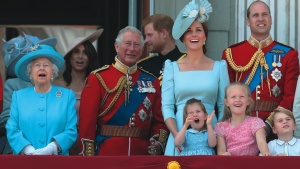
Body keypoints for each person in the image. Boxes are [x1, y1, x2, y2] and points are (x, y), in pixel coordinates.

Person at [79, 26, 168, 156]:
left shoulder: (152, 81)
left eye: (136, 45)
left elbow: (159, 121)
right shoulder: (98, 78)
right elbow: (87, 123)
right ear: (117, 46)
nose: (131, 49)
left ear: (142, 50)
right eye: (127, 44)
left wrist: (157, 143)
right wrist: (88, 156)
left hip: (141, 155)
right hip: (107, 154)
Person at [221, 0, 299, 137]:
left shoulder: (289, 54)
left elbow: (290, 96)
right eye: (255, 15)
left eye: (265, 14)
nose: (261, 19)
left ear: (270, 19)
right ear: (247, 21)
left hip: (276, 128)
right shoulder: (231, 54)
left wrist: (270, 125)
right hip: (240, 126)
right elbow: (227, 94)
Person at [162, 0, 229, 156]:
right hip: (179, 132)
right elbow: (167, 107)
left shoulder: (220, 67)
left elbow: (223, 107)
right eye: (188, 31)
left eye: (198, 30)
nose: (194, 34)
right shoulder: (171, 67)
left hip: (210, 135)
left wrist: (216, 136)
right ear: (183, 38)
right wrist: (176, 134)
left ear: (205, 36)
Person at [5, 40, 77, 155]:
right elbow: (12, 129)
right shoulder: (19, 96)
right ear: (30, 73)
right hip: (25, 161)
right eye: (37, 65)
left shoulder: (66, 96)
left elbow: (71, 130)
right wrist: (26, 149)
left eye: (46, 65)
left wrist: (53, 147)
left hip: (57, 161)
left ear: (53, 72)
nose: (42, 68)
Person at [0, 33, 57, 154]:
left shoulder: (56, 89)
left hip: (49, 150)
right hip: (18, 150)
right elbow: (5, 120)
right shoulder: (13, 84)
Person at [54, 29, 103, 155]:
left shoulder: (98, 84)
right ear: (69, 57)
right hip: (61, 142)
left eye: (85, 53)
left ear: (90, 57)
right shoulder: (56, 85)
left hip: (91, 142)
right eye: (76, 52)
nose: (80, 56)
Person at [214, 82, 271, 156]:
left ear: (248, 101)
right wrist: (224, 156)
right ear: (226, 102)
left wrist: (266, 154)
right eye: (233, 97)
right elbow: (221, 151)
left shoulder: (255, 122)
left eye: (241, 96)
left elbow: (261, 142)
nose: (238, 100)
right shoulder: (221, 127)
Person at [137, 14, 183, 85]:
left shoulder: (187, 63)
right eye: (145, 36)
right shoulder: (143, 66)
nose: (146, 40)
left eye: (150, 35)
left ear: (163, 33)